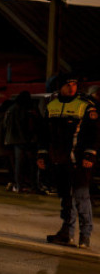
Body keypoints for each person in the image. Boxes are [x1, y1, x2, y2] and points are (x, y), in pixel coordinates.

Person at [39, 75, 97, 248]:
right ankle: (67, 233)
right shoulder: (52, 106)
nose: (72, 88)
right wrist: (41, 155)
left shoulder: (86, 106)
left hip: (79, 161)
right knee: (66, 198)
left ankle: (85, 236)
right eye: (68, 84)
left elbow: (94, 134)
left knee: (81, 197)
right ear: (60, 87)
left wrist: (90, 155)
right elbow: (44, 135)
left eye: (74, 84)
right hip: (60, 160)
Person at [3, 91, 37, 193]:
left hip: (12, 140)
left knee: (17, 163)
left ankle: (18, 184)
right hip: (20, 140)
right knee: (21, 163)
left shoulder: (12, 108)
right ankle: (20, 184)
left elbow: (5, 125)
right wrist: (26, 139)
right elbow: (19, 126)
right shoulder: (21, 109)